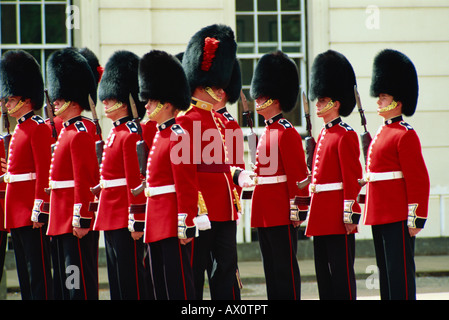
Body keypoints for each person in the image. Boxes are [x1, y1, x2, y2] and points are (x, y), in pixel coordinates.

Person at [181, 24, 242, 300]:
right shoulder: (185, 120)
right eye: (215, 85)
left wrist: (240, 179)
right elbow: (184, 173)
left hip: (226, 209)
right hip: (201, 209)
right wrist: (194, 209)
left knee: (225, 273)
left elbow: (230, 164)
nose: (220, 90)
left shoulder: (221, 120)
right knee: (193, 274)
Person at [242, 50, 309, 299]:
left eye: (263, 96)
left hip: (281, 210)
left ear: (276, 99)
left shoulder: (287, 132)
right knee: (270, 271)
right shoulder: (267, 132)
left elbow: (297, 176)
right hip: (263, 210)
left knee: (284, 271)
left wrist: (298, 208)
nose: (257, 99)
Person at [363, 49, 430, 300]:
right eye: (379, 96)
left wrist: (416, 217)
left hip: (398, 214)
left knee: (399, 276)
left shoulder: (405, 134)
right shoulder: (382, 132)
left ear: (397, 101)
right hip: (380, 214)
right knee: (387, 276)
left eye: (383, 96)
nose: (378, 100)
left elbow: (418, 179)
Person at [138, 50, 196, 299]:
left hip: (172, 222)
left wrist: (185, 222)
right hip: (155, 220)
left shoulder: (179, 136)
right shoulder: (159, 134)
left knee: (177, 288)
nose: (147, 105)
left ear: (167, 104)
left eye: (152, 101)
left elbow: (186, 185)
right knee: (158, 287)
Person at [305, 50, 363, 300]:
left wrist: (351, 214)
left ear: (335, 103)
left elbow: (352, 178)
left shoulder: (345, 135)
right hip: (320, 215)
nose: (317, 103)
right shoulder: (325, 135)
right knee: (323, 275)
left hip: (338, 218)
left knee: (341, 274)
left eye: (322, 99)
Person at [93, 50, 149, 300]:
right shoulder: (117, 132)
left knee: (131, 281)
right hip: (111, 213)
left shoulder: (130, 134)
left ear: (125, 100)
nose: (105, 102)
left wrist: (137, 218)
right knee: (116, 280)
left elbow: (135, 181)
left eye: (110, 98)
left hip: (126, 216)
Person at [45, 48, 100, 300]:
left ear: (73, 99)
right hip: (60, 215)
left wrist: (81, 218)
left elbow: (85, 178)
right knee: (65, 278)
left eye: (59, 97)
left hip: (72, 218)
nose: (55, 101)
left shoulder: (80, 131)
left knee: (74, 277)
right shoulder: (68, 131)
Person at [0, 50, 54, 300]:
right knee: (23, 272)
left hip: (32, 210)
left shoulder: (38, 127)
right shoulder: (20, 128)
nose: (6, 103)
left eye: (11, 99)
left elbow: (43, 172)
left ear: (26, 99)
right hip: (16, 209)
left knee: (38, 272)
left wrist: (40, 208)